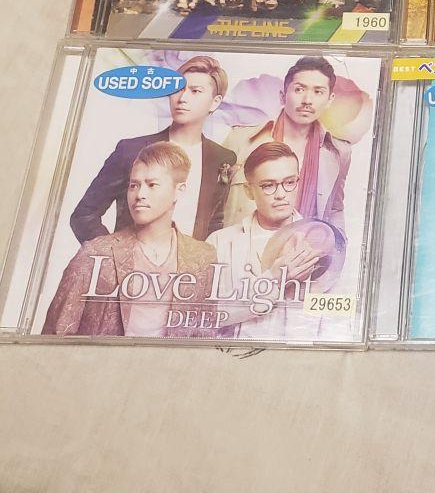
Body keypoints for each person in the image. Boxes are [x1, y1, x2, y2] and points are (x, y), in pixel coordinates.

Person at [44, 143, 218, 338]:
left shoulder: (203, 257)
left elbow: (205, 339)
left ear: (179, 190)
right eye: (134, 185)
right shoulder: (95, 253)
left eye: (152, 185)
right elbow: (54, 336)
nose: (140, 195)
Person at [70, 55, 236, 243]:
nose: (182, 98)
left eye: (195, 91)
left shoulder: (222, 158)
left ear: (215, 101)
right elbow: (84, 215)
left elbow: (214, 224)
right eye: (177, 89)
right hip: (134, 259)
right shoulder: (131, 150)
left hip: (191, 260)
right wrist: (114, 254)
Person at [222, 56, 364, 232]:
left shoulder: (339, 152)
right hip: (243, 245)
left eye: (318, 92)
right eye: (299, 89)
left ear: (329, 100)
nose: (307, 100)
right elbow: (211, 205)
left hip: (304, 247)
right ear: (283, 96)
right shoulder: (240, 140)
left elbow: (334, 209)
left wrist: (337, 244)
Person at [206, 141, 324, 339]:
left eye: (289, 182)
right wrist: (273, 279)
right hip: (233, 355)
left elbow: (335, 319)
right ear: (249, 191)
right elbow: (207, 315)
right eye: (268, 185)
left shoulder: (323, 242)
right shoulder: (219, 243)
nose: (281, 195)